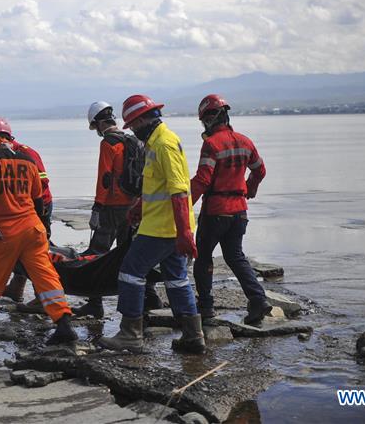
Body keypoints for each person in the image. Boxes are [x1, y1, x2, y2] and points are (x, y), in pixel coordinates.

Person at [98, 95, 205, 353]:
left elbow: (179, 191)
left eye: (134, 124)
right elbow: (157, 187)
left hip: (162, 229)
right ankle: (192, 335)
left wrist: (184, 233)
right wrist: (139, 207)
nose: (133, 130)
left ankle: (130, 334)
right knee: (177, 279)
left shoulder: (165, 144)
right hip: (166, 225)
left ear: (145, 119)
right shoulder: (154, 143)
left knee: (130, 272)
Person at [0, 117, 78, 345]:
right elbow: (38, 197)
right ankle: (64, 324)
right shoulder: (28, 161)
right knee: (46, 276)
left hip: (4, 231)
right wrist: (42, 224)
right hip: (34, 229)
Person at [73, 101, 160, 318]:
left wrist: (97, 208)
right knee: (131, 253)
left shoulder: (108, 144)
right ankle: (149, 296)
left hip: (111, 207)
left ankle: (95, 303)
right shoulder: (133, 140)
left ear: (98, 123)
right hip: (133, 205)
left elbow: (105, 179)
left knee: (96, 253)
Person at [190, 94, 271, 325]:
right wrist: (249, 188)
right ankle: (258, 300)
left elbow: (203, 180)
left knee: (203, 258)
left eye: (204, 120)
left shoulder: (211, 144)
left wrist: (184, 206)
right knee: (235, 257)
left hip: (216, 211)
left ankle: (205, 308)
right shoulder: (246, 141)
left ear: (210, 119)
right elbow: (260, 170)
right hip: (239, 212)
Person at [0, 137, 53, 302]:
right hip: (26, 206)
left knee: (36, 252)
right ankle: (17, 288)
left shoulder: (25, 153)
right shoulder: (9, 155)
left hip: (40, 205)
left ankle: (41, 297)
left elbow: (42, 180)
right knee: (21, 248)